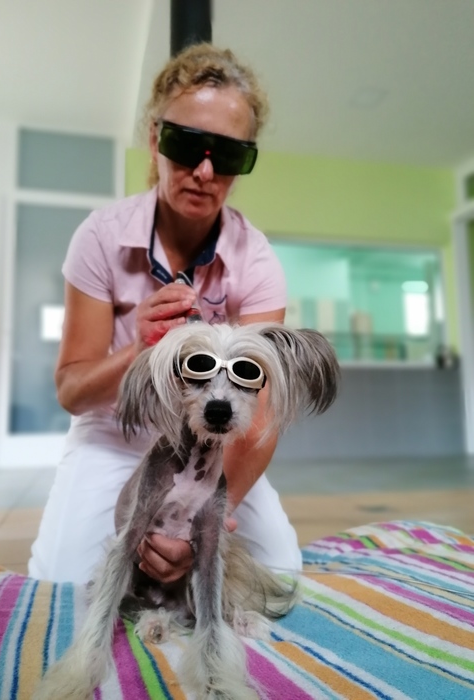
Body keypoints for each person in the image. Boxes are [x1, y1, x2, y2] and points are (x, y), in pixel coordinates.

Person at [28, 43, 302, 585]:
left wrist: (204, 518)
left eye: (228, 155)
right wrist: (139, 351)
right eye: (186, 144)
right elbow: (72, 392)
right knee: (63, 581)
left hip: (212, 436)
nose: (205, 170)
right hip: (117, 428)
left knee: (281, 573)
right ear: (155, 140)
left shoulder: (257, 260)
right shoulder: (100, 238)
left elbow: (260, 414)